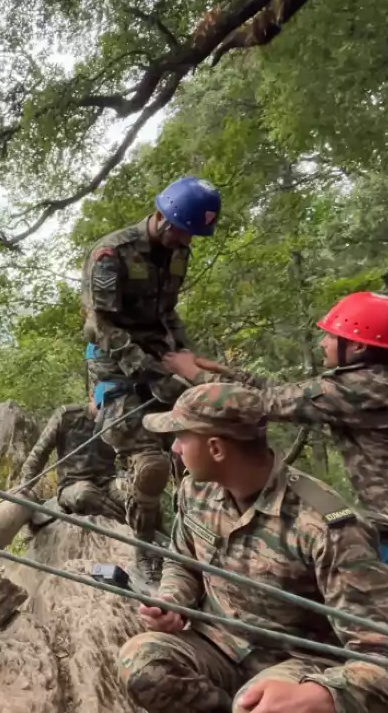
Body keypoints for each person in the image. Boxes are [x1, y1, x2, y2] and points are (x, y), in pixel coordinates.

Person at [163, 292, 388, 713]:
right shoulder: (378, 383)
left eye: (332, 336)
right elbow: (287, 393)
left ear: (359, 346)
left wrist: (195, 379)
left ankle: (313, 685)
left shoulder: (368, 388)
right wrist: (224, 370)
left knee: (323, 592)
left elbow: (267, 405)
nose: (322, 343)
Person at [116, 382, 388, 713]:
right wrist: (172, 601)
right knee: (142, 662)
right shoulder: (195, 491)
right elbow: (182, 563)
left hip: (298, 660)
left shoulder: (324, 525)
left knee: (255, 705)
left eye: (181, 437)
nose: (175, 448)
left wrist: (321, 695)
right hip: (218, 643)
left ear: (216, 449)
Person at [80, 176, 221, 581]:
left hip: (161, 356)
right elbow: (99, 327)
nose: (187, 243)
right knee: (151, 464)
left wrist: (184, 356)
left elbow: (168, 313)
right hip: (115, 360)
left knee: (196, 450)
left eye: (195, 235)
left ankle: (193, 541)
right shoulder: (111, 254)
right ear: (162, 217)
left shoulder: (178, 251)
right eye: (183, 232)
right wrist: (149, 372)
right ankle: (146, 553)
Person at [18, 374, 127, 525]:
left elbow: (128, 457)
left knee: (134, 496)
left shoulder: (118, 422)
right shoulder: (67, 416)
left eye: (110, 405)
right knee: (85, 493)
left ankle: (161, 539)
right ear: (91, 396)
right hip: (72, 487)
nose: (105, 410)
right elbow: (40, 452)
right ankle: (120, 519)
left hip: (106, 484)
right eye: (101, 405)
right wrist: (25, 483)